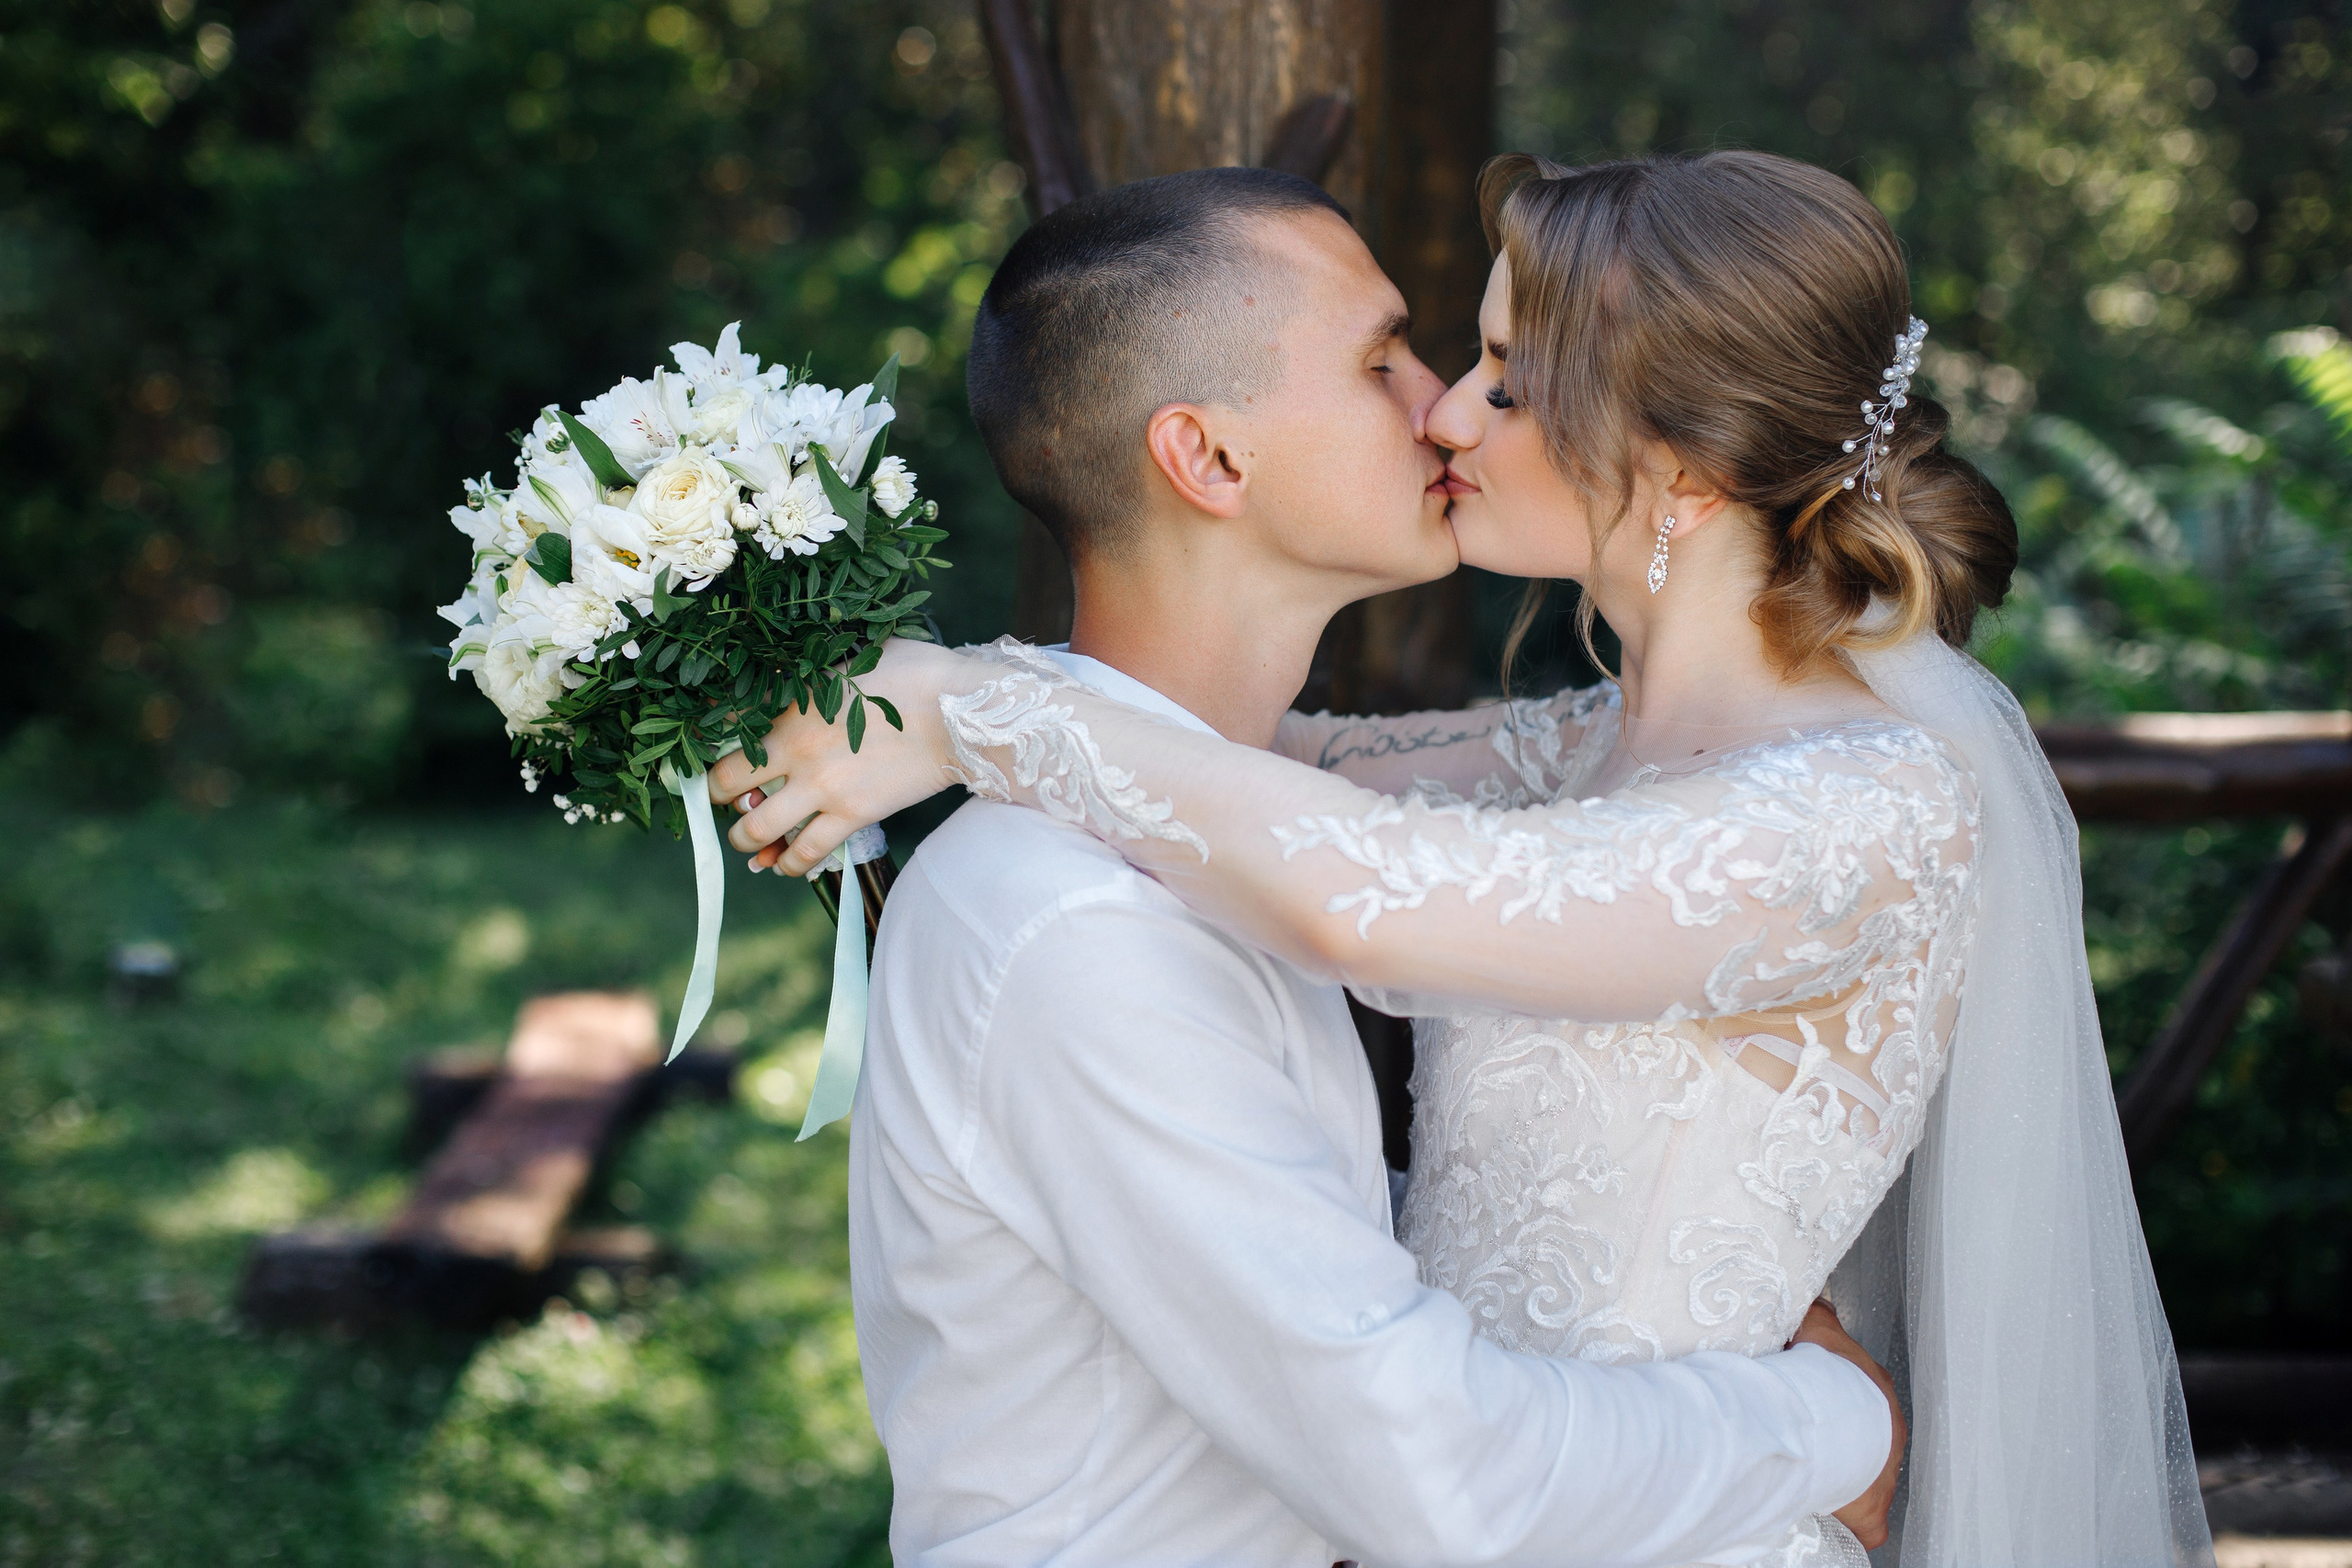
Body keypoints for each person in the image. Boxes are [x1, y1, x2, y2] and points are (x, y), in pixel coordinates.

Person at [724, 152, 2218, 1566]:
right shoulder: (1561, 759)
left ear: (1681, 471)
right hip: (1554, 1485)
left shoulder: (1859, 806)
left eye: (1502, 381)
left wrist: (970, 702)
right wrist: (907, 699)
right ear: (1205, 451)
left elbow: (1349, 885)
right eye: (1415, 363)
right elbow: (1262, 775)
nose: (1445, 413)